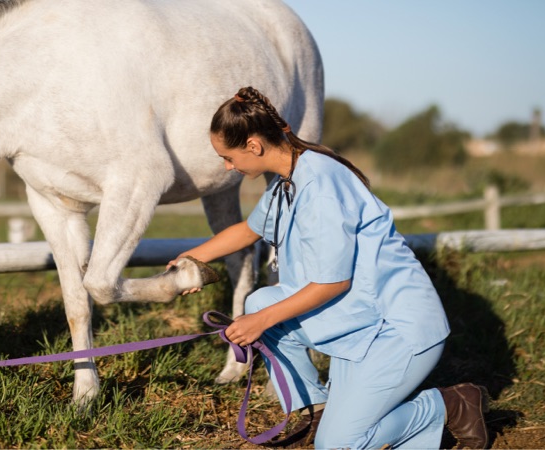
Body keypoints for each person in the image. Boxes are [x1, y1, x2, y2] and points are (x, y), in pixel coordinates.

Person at [171, 87, 490, 449]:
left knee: (337, 445)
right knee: (259, 304)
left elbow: (332, 284)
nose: (228, 167)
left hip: (396, 329)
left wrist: (258, 323)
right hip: (358, 319)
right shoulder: (288, 179)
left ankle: (449, 405)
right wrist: (189, 260)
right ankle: (318, 411)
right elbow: (248, 231)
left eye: (228, 158)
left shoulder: (321, 188)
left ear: (254, 146)